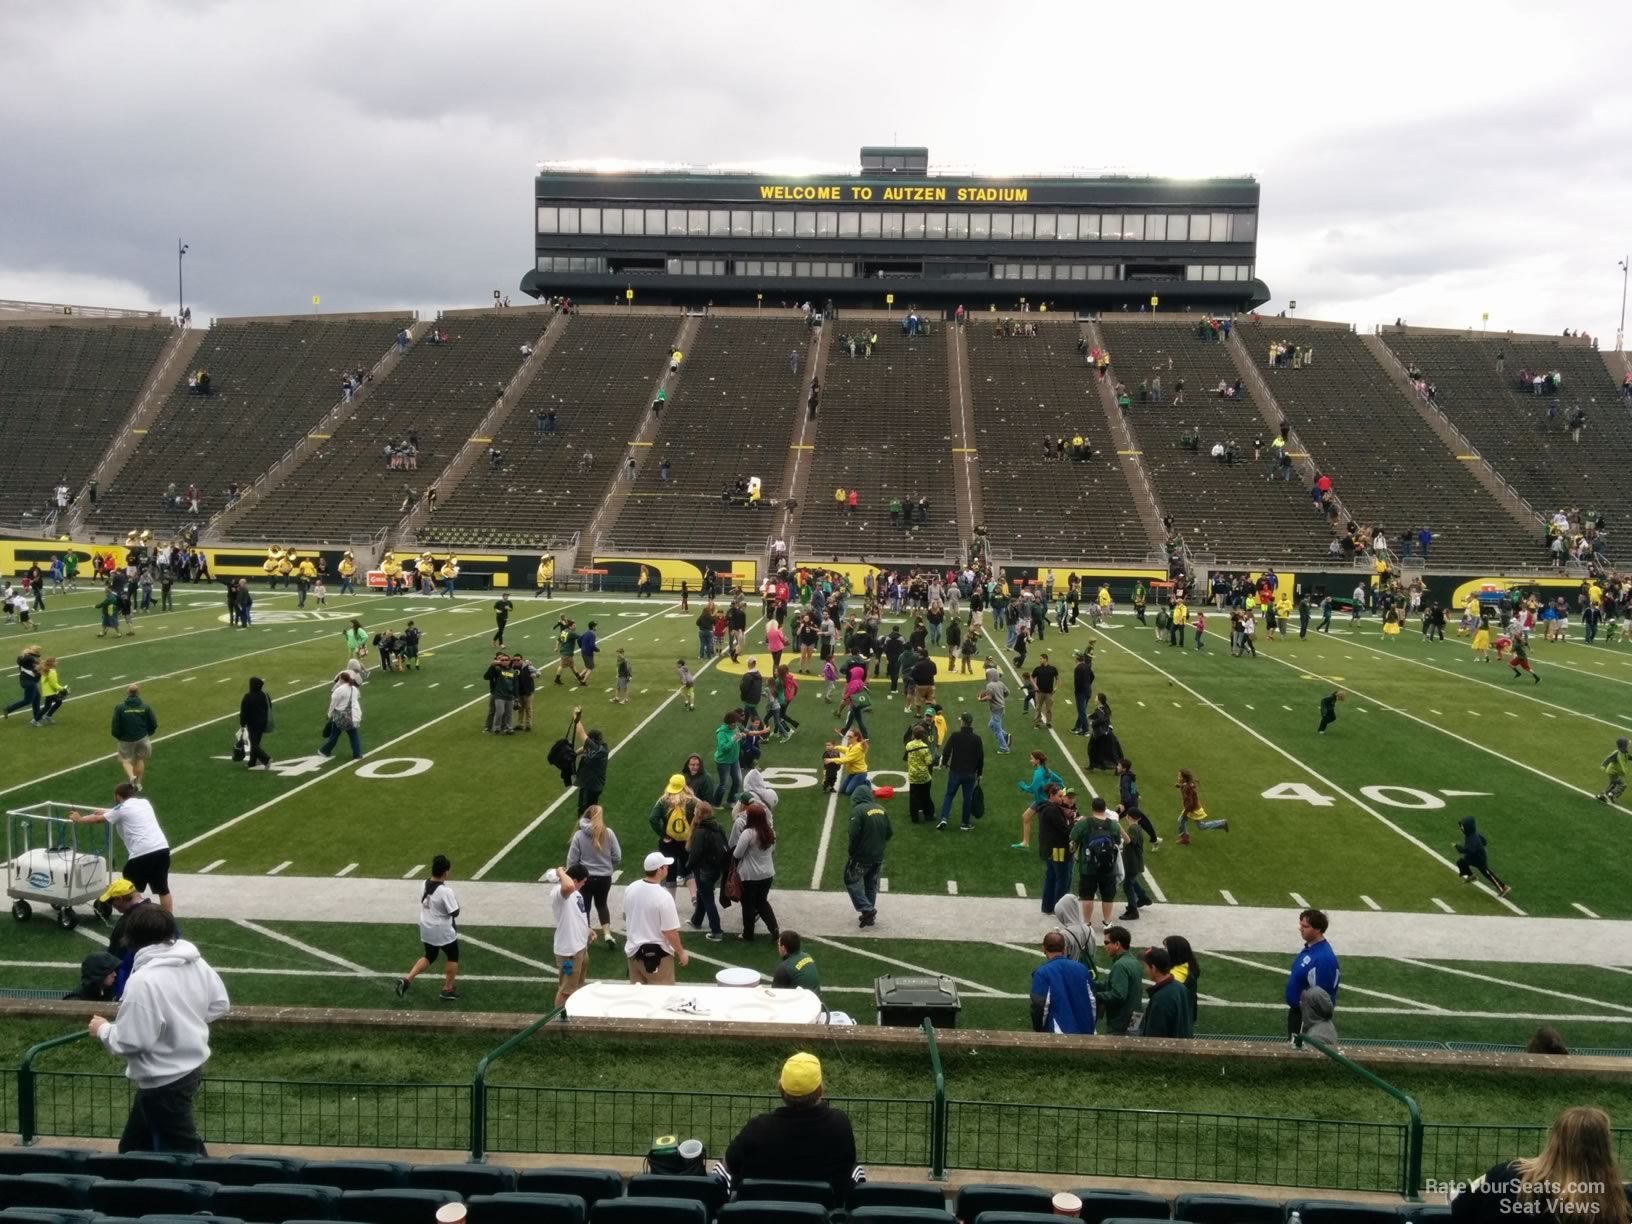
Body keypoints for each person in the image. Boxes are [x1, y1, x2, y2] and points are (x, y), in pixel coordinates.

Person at [88, 905, 228, 1153]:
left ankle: (210, 1188)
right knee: (134, 1146)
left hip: (164, 1080)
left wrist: (103, 1030)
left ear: (132, 939)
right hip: (187, 1071)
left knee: (185, 1151)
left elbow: (133, 1040)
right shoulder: (196, 962)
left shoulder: (143, 980)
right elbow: (219, 1004)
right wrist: (184, 1023)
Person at [720, 1053, 862, 1204]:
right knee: (856, 1171)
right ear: (820, 1090)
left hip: (763, 1215)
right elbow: (847, 1163)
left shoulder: (757, 1127)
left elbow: (729, 1164)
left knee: (721, 1170)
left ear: (780, 1089)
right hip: (820, 1214)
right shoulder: (839, 1124)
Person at [1449, 1107, 1626, 1224]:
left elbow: (1460, 1208)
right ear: (1604, 1147)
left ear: (1554, 1138)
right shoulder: (1616, 1201)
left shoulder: (1505, 1174)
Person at [70, 782, 172, 913]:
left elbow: (99, 819)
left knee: (127, 888)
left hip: (142, 853)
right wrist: (107, 812)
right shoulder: (144, 803)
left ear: (118, 796)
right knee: (163, 889)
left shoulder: (121, 810)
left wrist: (79, 819)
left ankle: (136, 915)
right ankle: (168, 921)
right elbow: (121, 811)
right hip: (162, 849)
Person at [395, 855, 461, 1001]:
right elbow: (455, 912)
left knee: (430, 955)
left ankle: (407, 979)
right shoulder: (446, 891)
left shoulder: (424, 884)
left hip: (426, 927)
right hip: (441, 930)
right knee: (453, 955)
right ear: (445, 872)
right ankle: (447, 989)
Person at [624, 851, 688, 983]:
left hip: (633, 954)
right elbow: (670, 932)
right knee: (663, 999)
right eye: (665, 866)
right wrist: (681, 952)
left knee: (638, 998)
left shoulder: (631, 888)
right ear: (659, 870)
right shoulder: (663, 896)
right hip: (658, 957)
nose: (667, 868)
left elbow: (626, 915)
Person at [567, 804, 621, 947]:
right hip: (604, 878)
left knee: (585, 906)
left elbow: (572, 859)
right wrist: (607, 865)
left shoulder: (579, 835)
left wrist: (571, 875)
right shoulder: (608, 833)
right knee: (602, 904)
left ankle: (587, 935)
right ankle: (607, 934)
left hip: (585, 878)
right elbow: (617, 856)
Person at [1285, 908, 1340, 1038]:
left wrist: (1308, 1019)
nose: (1300, 928)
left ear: (1318, 929)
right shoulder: (1310, 949)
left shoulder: (1323, 959)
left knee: (1300, 1053)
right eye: (1301, 925)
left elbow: (1321, 998)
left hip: (1306, 1019)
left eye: (1305, 926)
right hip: (1298, 1014)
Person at [1030, 930, 1095, 1034]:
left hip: (1058, 1034)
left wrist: (1038, 1029)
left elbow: (1039, 1006)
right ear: (1064, 949)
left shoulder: (1041, 973)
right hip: (1085, 1031)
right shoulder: (1082, 968)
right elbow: (1092, 1001)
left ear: (1043, 948)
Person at [844, 781, 891, 928]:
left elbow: (854, 834)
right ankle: (868, 917)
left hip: (862, 855)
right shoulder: (881, 809)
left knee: (851, 881)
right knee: (871, 885)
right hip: (878, 855)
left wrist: (852, 851)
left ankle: (868, 909)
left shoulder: (858, 811)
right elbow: (889, 833)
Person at [731, 802, 779, 942]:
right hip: (767, 874)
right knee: (762, 901)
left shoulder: (748, 833)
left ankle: (748, 934)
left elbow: (737, 854)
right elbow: (773, 850)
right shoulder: (770, 831)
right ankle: (774, 928)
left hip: (750, 875)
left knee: (748, 905)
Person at [548, 863, 591, 1007]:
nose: (584, 885)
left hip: (580, 948)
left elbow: (578, 915)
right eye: (583, 882)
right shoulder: (560, 893)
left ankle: (573, 1011)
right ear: (575, 880)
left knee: (577, 987)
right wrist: (560, 872)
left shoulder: (577, 894)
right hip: (569, 952)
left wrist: (587, 930)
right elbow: (568, 886)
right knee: (566, 990)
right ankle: (558, 1019)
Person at [938, 711, 985, 830]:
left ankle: (944, 818)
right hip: (970, 774)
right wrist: (979, 773)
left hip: (955, 772)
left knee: (949, 795)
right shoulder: (977, 739)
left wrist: (944, 763)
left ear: (963, 722)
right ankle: (965, 823)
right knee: (967, 799)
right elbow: (980, 757)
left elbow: (947, 750)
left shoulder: (955, 736)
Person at [1138, 946, 1194, 1038]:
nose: (1145, 970)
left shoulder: (1161, 998)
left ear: (1153, 968)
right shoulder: (1181, 987)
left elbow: (1155, 1036)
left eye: (1146, 966)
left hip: (1168, 1050)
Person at [110, 684, 158, 789]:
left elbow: (115, 725)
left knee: (126, 760)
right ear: (138, 693)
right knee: (140, 759)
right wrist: (147, 733)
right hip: (142, 737)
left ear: (128, 693)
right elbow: (153, 723)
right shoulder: (145, 707)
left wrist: (118, 736)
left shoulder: (120, 707)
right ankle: (139, 783)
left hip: (125, 739)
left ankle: (132, 777)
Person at [1096, 926, 1142, 1035]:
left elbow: (1118, 994)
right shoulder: (1132, 961)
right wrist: (1093, 985)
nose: (1104, 946)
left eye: (1107, 943)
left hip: (1121, 1022)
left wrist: (1095, 995)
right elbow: (1113, 984)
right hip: (1136, 1016)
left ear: (1117, 944)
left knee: (1117, 1049)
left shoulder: (1120, 965)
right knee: (1133, 1045)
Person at [1455, 816, 1511, 896]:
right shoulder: (1472, 835)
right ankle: (1471, 876)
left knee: (1486, 873)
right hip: (1472, 856)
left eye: (1462, 827)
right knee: (1461, 862)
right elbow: (1484, 841)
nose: (1461, 828)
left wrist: (1459, 848)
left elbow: (1470, 849)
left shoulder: (1472, 838)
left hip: (1479, 858)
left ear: (1468, 828)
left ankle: (1503, 887)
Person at [319, 669, 364, 760]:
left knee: (334, 735)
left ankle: (325, 751)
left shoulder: (339, 690)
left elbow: (333, 704)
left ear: (342, 680)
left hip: (341, 717)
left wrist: (329, 714)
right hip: (355, 715)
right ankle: (357, 754)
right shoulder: (354, 688)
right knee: (353, 735)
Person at [1175, 767, 1227, 843]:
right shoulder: (1188, 784)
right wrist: (1180, 785)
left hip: (1192, 809)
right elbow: (1188, 786)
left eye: (1180, 776)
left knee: (1201, 826)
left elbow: (1189, 802)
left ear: (1185, 779)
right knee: (1182, 821)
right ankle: (1185, 838)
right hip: (1193, 807)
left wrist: (1186, 812)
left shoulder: (1187, 788)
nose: (1178, 777)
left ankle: (1222, 823)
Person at [771, 930, 822, 1002]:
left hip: (801, 1008)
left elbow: (775, 996)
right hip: (816, 1002)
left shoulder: (784, 968)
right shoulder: (807, 956)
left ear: (783, 948)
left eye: (778, 944)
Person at [573, 714, 609, 814]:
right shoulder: (600, 747)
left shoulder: (596, 749)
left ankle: (587, 828)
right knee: (582, 809)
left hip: (592, 786)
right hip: (589, 783)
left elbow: (580, 732)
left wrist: (576, 718)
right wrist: (575, 754)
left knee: (587, 812)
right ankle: (583, 826)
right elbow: (585, 748)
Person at [1598, 737, 1630, 805]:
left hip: (1616, 772)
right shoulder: (1617, 753)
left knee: (1613, 784)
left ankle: (1602, 795)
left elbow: (1628, 757)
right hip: (1613, 772)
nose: (1629, 746)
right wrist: (1603, 765)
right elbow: (1608, 758)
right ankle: (1610, 795)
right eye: (1627, 745)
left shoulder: (1624, 752)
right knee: (1622, 785)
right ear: (1623, 746)